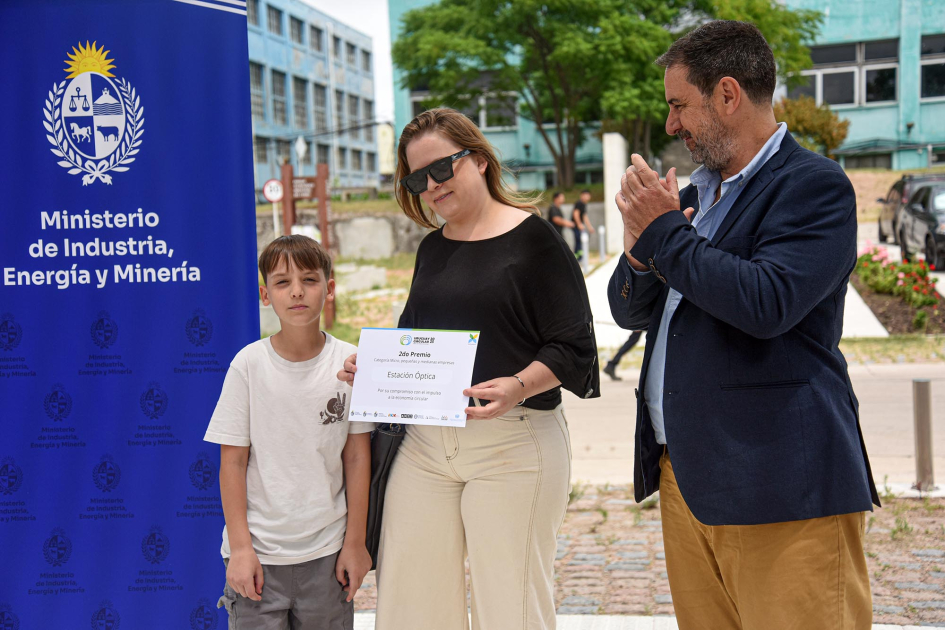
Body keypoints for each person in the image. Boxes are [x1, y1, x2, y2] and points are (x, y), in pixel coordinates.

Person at [607, 20, 879, 630]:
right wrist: (639, 247)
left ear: (728, 94)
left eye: (680, 105)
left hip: (779, 481)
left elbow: (767, 302)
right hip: (687, 478)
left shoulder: (814, 187)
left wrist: (665, 234)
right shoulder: (695, 197)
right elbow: (629, 311)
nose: (671, 124)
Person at [338, 107, 599, 630]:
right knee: (410, 604)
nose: (431, 186)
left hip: (514, 444)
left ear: (478, 160)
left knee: (511, 608)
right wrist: (374, 366)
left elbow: (574, 348)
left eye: (442, 169)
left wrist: (519, 386)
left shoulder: (536, 240)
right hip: (427, 447)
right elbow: (416, 337)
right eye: (417, 178)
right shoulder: (431, 249)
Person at [206, 235, 374, 629]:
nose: (297, 292)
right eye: (282, 282)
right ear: (266, 295)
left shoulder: (351, 364)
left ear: (329, 289)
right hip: (259, 560)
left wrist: (355, 542)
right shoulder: (247, 366)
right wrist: (242, 548)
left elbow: (357, 456)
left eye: (310, 280)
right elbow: (232, 463)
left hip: (328, 555)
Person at [572, 189, 595, 260]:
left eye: (588, 196)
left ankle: (580, 258)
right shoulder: (579, 203)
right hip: (576, 226)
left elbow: (585, 216)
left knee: (580, 241)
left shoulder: (583, 204)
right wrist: (579, 224)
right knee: (578, 241)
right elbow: (575, 214)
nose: (587, 197)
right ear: (581, 195)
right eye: (586, 195)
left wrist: (590, 227)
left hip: (579, 226)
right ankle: (577, 258)